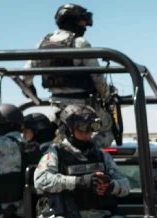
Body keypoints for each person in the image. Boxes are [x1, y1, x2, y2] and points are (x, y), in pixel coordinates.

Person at [23, 3, 114, 148]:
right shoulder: (79, 43)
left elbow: (25, 76)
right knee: (108, 127)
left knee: (55, 140)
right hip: (83, 107)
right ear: (72, 21)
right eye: (82, 21)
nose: (84, 25)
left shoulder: (43, 42)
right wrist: (106, 95)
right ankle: (90, 153)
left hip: (56, 109)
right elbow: (97, 77)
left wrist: (29, 89)